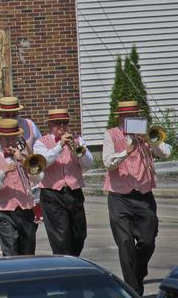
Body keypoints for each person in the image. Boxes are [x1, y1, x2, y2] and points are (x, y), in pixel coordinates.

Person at [103, 100, 171, 295]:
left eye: (133, 116)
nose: (129, 120)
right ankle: (133, 290)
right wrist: (127, 151)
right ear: (120, 118)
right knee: (125, 244)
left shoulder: (146, 134)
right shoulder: (111, 135)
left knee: (148, 241)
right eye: (126, 117)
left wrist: (150, 141)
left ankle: (138, 272)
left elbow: (166, 153)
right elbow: (108, 162)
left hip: (143, 195)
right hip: (119, 197)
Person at [34, 109, 93, 256]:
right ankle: (66, 270)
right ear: (50, 125)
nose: (62, 126)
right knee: (61, 239)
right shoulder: (41, 143)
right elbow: (43, 162)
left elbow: (88, 163)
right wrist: (59, 145)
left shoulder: (78, 140)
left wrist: (78, 153)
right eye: (57, 123)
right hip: (52, 194)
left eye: (65, 123)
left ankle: (70, 262)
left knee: (80, 235)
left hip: (74, 192)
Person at [0, 118, 41, 256]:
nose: (10, 143)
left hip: (25, 208)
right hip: (4, 211)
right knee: (10, 251)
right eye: (7, 139)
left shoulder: (24, 157)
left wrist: (23, 160)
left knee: (28, 251)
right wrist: (3, 171)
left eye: (13, 138)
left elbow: (39, 178)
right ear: (0, 139)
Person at [0, 96, 43, 222]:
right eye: (7, 115)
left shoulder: (29, 125)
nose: (11, 117)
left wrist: (26, 151)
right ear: (1, 114)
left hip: (29, 182)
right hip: (6, 185)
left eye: (14, 114)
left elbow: (39, 149)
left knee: (29, 229)